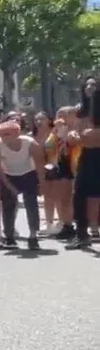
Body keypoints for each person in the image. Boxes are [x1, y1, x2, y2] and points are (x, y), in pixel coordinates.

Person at [0, 121, 44, 250]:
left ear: (17, 133)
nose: (3, 137)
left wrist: (42, 184)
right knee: (9, 205)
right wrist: (9, 186)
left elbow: (40, 165)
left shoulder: (30, 144)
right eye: (1, 134)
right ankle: (9, 237)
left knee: (31, 203)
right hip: (8, 174)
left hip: (29, 173)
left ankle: (33, 235)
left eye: (7, 134)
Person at [69, 76, 100, 249]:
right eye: (87, 85)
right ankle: (81, 234)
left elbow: (89, 136)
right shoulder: (80, 111)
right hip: (87, 155)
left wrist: (94, 133)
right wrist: (74, 136)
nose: (90, 87)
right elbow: (77, 135)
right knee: (79, 192)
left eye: (94, 84)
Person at [46, 108, 79, 240]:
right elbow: (48, 146)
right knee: (64, 199)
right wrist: (56, 132)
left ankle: (81, 225)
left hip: (77, 166)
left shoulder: (78, 130)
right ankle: (67, 225)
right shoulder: (56, 132)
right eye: (59, 115)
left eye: (65, 115)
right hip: (61, 166)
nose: (62, 118)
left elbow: (74, 144)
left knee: (74, 199)